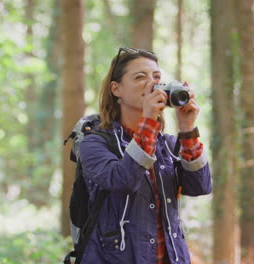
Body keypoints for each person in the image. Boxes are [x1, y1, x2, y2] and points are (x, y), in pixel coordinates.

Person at [78, 47, 212, 264]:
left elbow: (200, 186)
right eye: (140, 77)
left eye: (157, 77)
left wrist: (187, 128)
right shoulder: (94, 143)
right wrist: (149, 120)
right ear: (116, 89)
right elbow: (123, 179)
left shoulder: (167, 145)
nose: (152, 83)